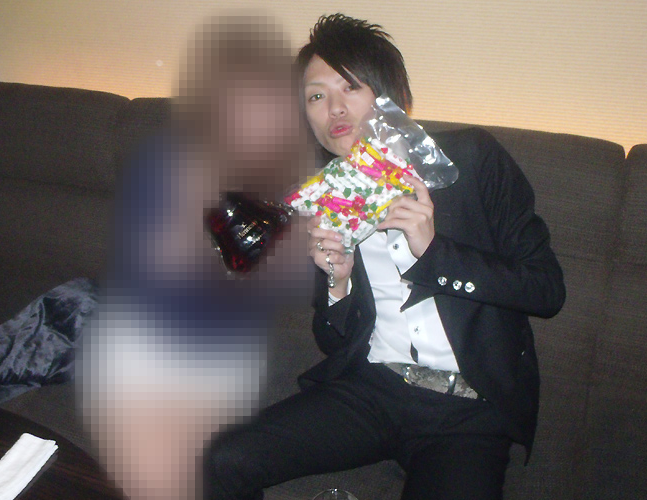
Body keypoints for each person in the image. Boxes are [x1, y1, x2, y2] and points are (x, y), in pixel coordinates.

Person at [204, 13, 566, 500]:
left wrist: (435, 253)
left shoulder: (472, 160)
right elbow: (333, 341)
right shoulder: (325, 197)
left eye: (350, 86)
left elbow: (546, 290)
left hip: (468, 409)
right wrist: (337, 283)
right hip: (373, 389)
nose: (334, 108)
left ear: (390, 93)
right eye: (315, 96)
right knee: (222, 461)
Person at [77, 15, 305, 500]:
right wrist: (190, 216)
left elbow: (287, 292)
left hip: (225, 353)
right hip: (142, 339)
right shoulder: (164, 160)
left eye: (265, 101)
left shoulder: (290, 186)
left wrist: (286, 263)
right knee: (153, 478)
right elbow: (145, 274)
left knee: (190, 474)